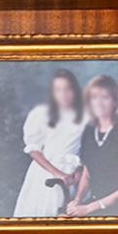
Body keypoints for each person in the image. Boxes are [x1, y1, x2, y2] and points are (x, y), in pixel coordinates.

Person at [67, 75, 118, 217]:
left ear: (115, 102)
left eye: (105, 97)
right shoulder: (88, 133)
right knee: (61, 222)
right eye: (94, 97)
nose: (99, 103)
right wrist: (77, 200)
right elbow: (87, 173)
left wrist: (89, 208)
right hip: (94, 203)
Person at [12, 69, 86, 217]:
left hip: (74, 175)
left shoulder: (84, 115)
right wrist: (58, 173)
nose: (63, 94)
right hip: (46, 171)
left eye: (68, 89)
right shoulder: (41, 113)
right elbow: (34, 150)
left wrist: (79, 169)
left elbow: (87, 147)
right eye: (58, 90)